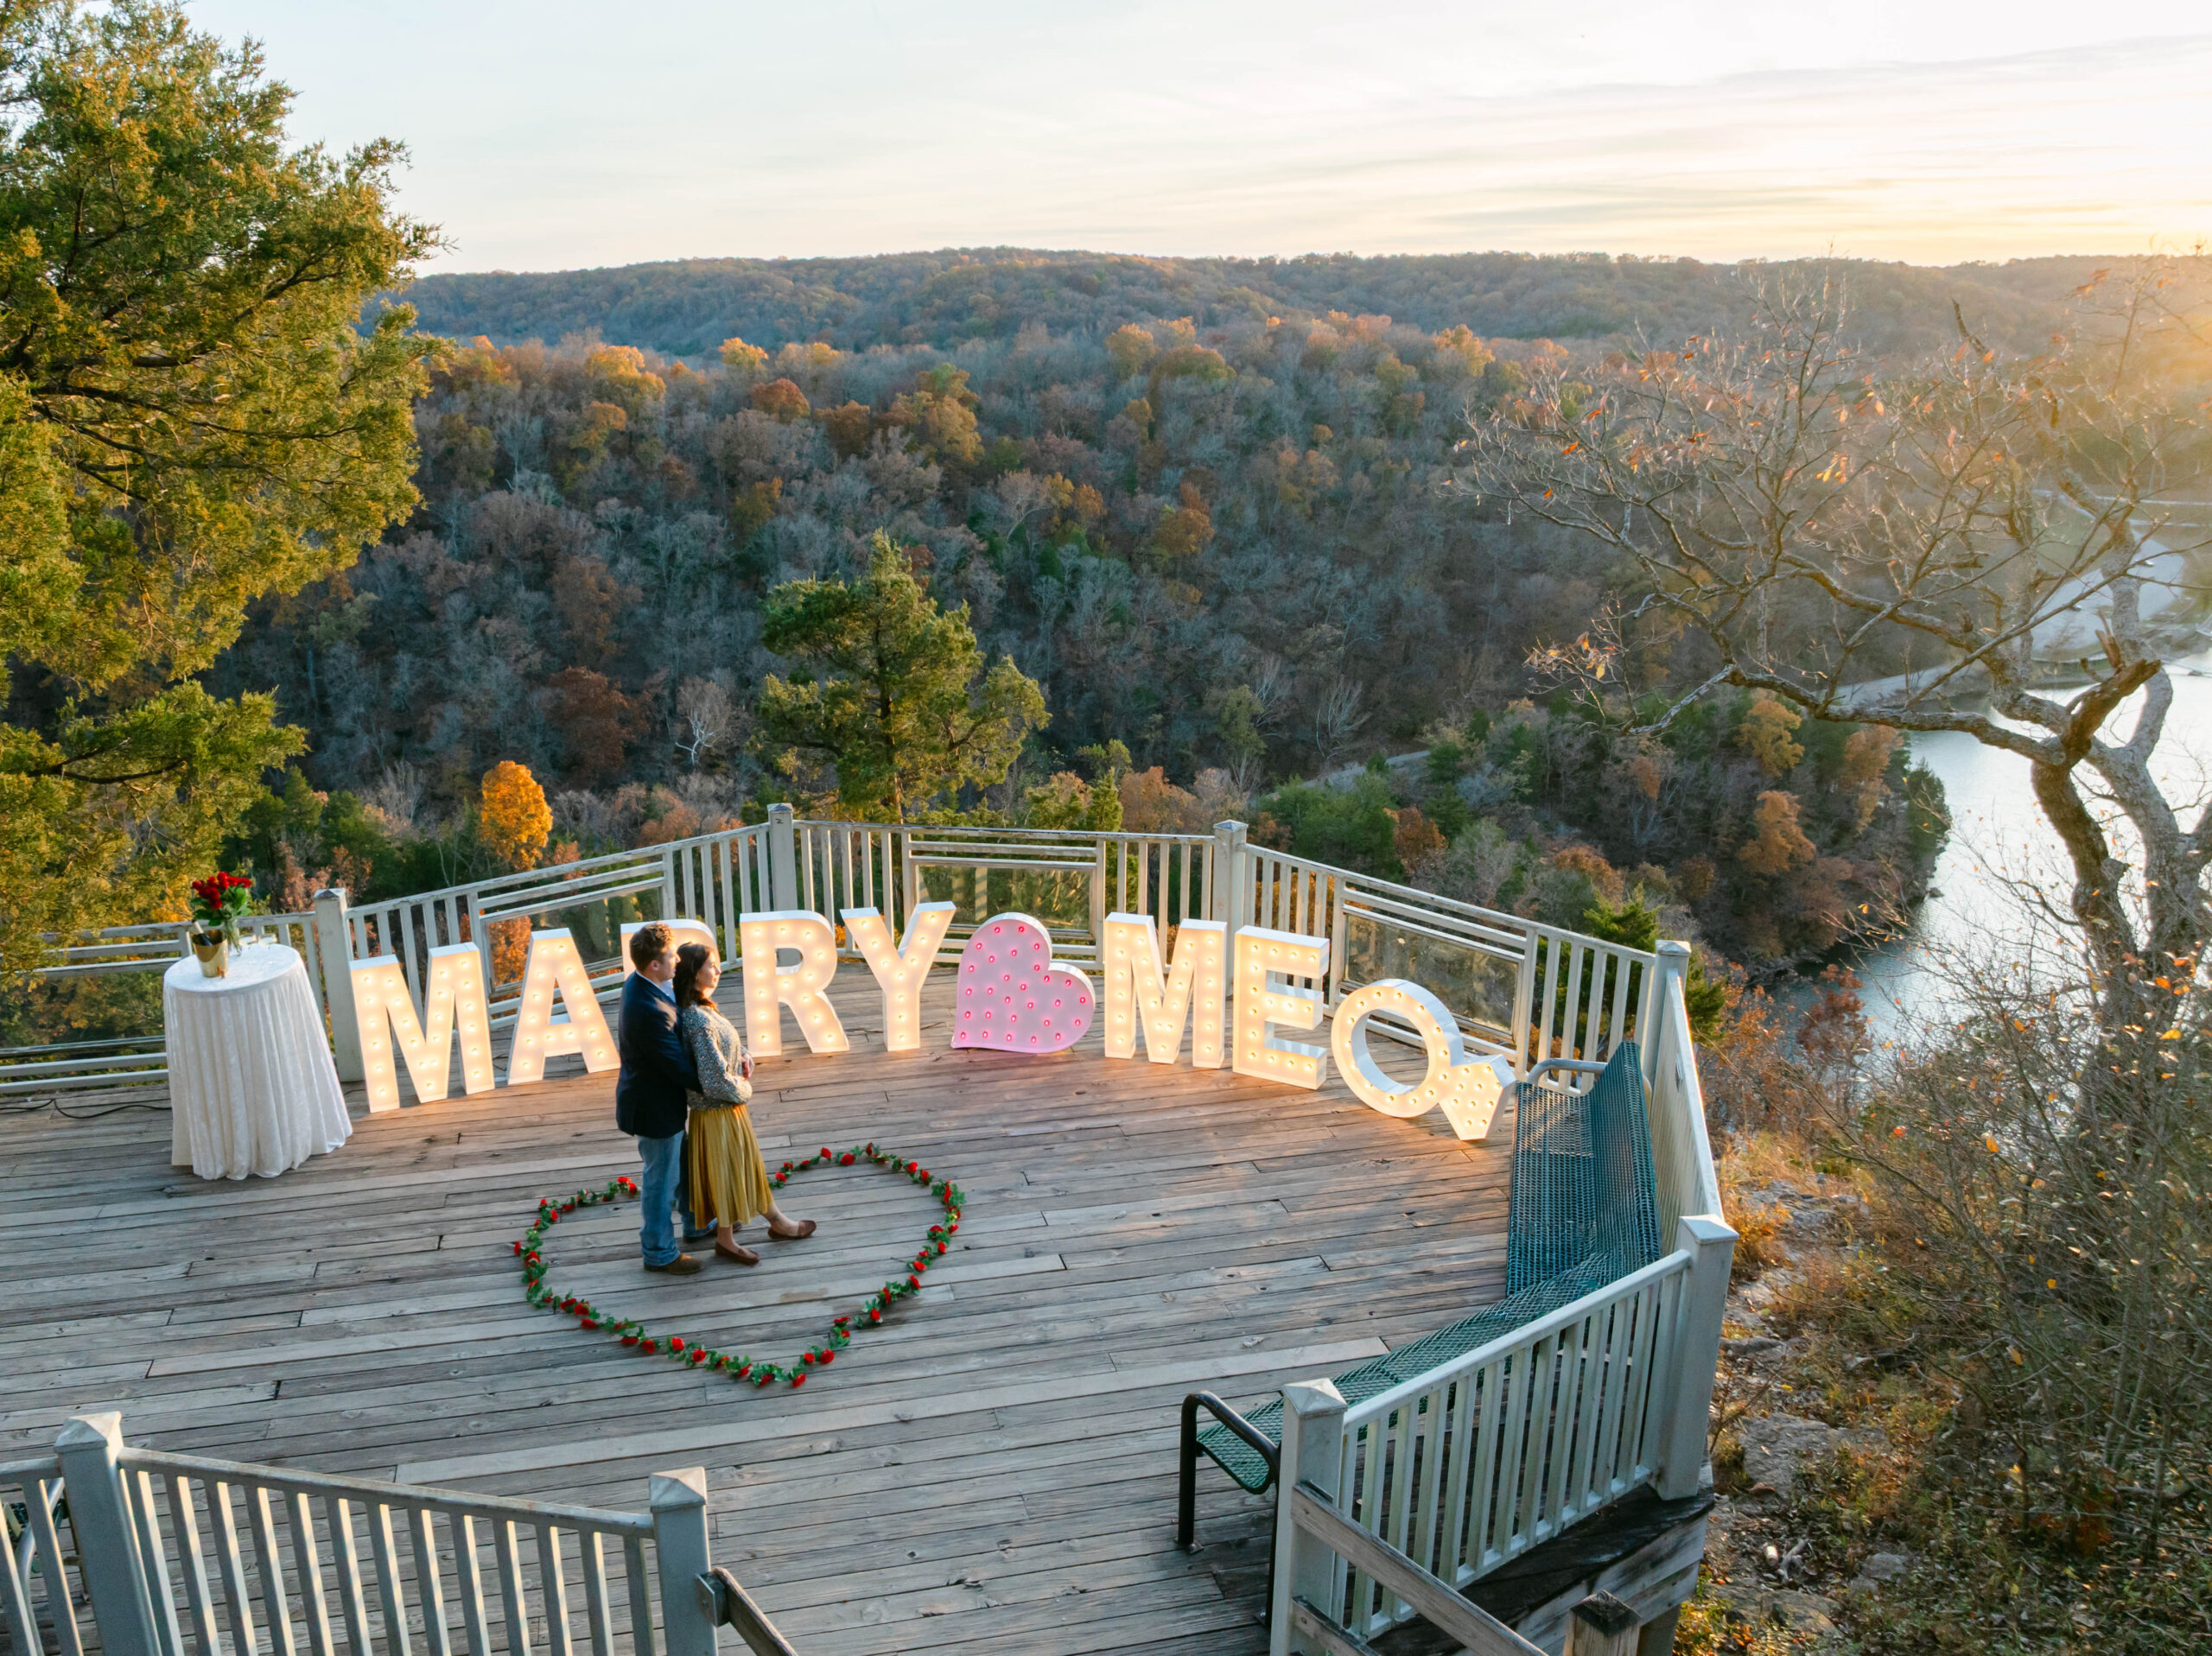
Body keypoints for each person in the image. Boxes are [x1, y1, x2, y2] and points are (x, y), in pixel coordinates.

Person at [672, 942, 816, 1264]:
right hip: (717, 1113)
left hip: (727, 1110)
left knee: (745, 1168)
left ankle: (777, 1222)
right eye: (712, 965)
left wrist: (745, 1056)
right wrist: (746, 1091)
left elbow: (724, 1050)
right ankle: (727, 1240)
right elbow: (714, 1081)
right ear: (695, 973)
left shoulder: (705, 1009)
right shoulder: (697, 1020)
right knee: (728, 1172)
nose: (719, 970)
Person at [615, 923, 710, 1275]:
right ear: (654, 963)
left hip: (660, 1102)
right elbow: (677, 1065)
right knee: (661, 1181)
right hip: (653, 1108)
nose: (677, 960)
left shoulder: (645, 984)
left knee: (681, 1167)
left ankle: (695, 1225)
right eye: (671, 956)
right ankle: (658, 1252)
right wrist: (722, 1083)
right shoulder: (648, 1008)